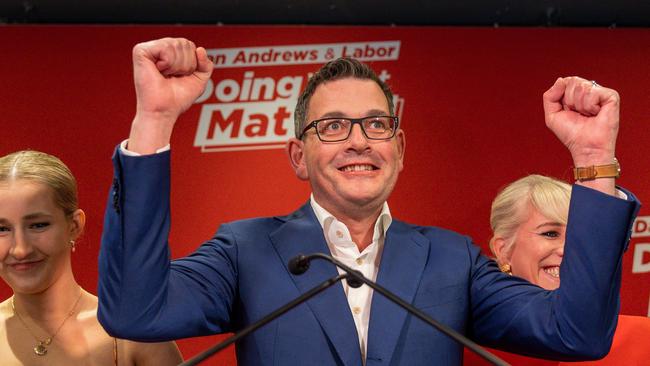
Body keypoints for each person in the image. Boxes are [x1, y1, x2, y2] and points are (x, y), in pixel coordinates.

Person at [97, 37, 640, 365]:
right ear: (298, 156)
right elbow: (134, 312)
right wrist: (154, 120)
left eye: (375, 124)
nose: (358, 140)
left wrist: (594, 157)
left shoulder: (454, 259)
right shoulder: (244, 249)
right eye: (332, 126)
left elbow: (578, 334)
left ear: (399, 149)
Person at [0, 150, 184, 365]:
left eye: (38, 225)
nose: (20, 249)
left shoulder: (133, 334)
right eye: (2, 229)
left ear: (74, 225)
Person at [490, 174, 650, 366]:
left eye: (577, 236)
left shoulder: (642, 341)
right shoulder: (460, 342)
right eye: (550, 233)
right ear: (503, 250)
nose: (567, 250)